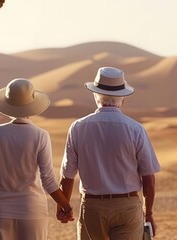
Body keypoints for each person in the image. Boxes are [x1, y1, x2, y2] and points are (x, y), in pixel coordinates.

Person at [58, 67, 162, 240]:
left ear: (96, 96)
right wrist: (148, 213)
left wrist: (64, 206)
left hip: (92, 206)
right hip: (127, 206)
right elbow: (149, 180)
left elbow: (67, 176)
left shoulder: (78, 127)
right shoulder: (135, 129)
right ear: (122, 99)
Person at [0, 78, 74, 240]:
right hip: (32, 210)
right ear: (32, 105)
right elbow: (48, 180)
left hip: (0, 211)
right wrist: (66, 207)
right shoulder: (40, 135)